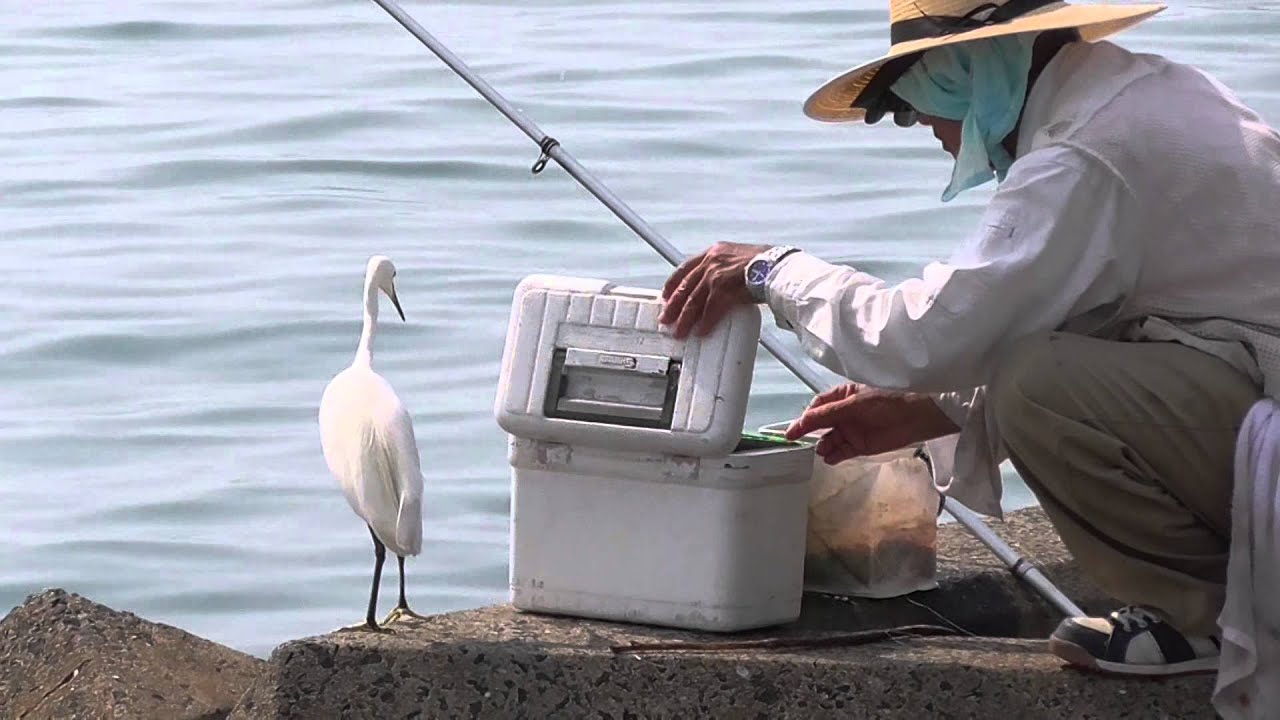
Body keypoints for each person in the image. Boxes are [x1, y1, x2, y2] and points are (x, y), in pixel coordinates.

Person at [658, 0, 1280, 684]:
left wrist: (773, 271)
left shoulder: (1082, 154)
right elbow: (1120, 318)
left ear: (962, 66)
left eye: (911, 101)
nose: (923, 126)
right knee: (1032, 369)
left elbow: (916, 338)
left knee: (1034, 382)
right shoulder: (1142, 92)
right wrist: (933, 409)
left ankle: (1202, 620)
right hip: (1253, 392)